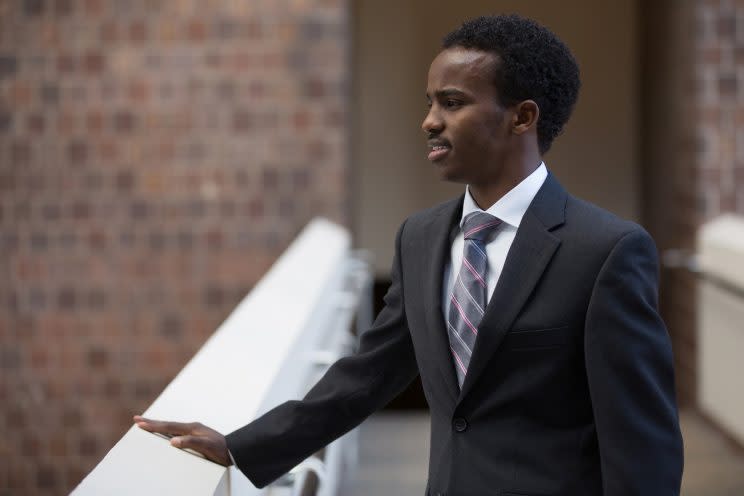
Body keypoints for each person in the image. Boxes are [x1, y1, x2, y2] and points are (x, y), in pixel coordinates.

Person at [136, 14, 684, 495]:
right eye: (430, 103)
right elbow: (368, 375)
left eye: (453, 102)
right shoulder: (420, 238)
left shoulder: (607, 251)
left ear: (522, 117)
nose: (429, 121)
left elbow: (641, 443)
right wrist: (241, 447)